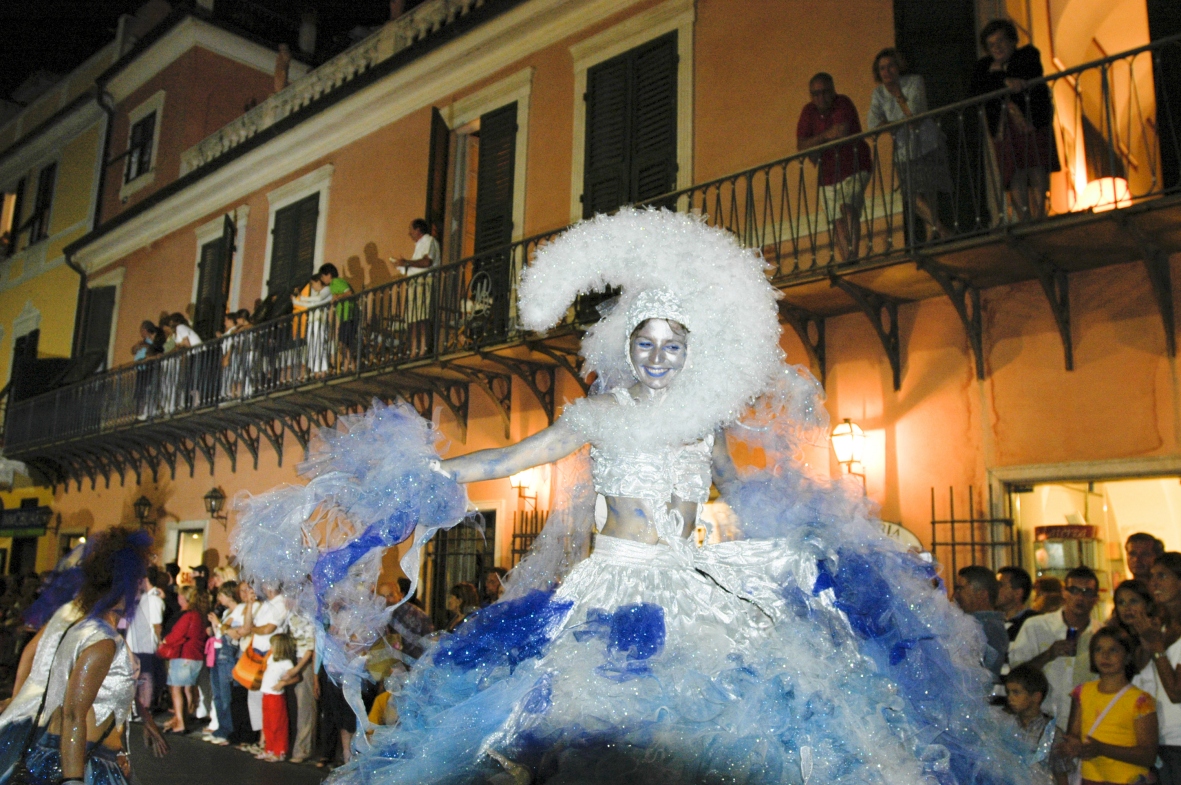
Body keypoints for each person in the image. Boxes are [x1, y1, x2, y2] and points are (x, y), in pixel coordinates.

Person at [234, 209, 1044, 785]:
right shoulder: (597, 414)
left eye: (672, 344)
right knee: (566, 733)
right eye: (645, 342)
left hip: (697, 585)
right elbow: (515, 451)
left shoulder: (705, 426)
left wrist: (805, 535)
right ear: (625, 349)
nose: (658, 354)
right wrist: (433, 475)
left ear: (692, 354)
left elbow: (743, 494)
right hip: (610, 588)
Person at [0, 527, 169, 785]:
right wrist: (74, 780)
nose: (139, 591)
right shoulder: (100, 640)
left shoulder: (93, 631)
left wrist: (142, 721)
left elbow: (109, 688)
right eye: (137, 582)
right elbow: (74, 713)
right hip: (84, 762)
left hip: (83, 754)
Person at [971, 19, 1059, 222]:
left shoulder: (1027, 54)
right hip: (1003, 127)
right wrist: (1003, 80)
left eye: (1001, 41)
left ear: (1012, 41)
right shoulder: (983, 66)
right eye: (992, 45)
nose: (997, 47)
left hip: (1031, 119)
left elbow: (1028, 73)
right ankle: (1024, 218)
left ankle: (1040, 215)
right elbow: (976, 89)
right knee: (1014, 171)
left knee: (1036, 164)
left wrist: (998, 74)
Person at [866, 48, 951, 240]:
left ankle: (931, 235)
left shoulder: (913, 82)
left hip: (926, 143)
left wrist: (898, 96)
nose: (887, 72)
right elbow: (873, 124)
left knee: (929, 192)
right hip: (904, 150)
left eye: (890, 66)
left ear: (898, 67)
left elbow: (915, 117)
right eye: (882, 69)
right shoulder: (878, 93)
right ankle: (941, 230)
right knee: (913, 195)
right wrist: (895, 124)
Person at [1060, 628, 1158, 785]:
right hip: (1090, 779)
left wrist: (1102, 749)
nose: (1105, 656)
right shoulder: (1081, 693)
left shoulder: (1140, 701)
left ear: (1127, 656)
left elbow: (1148, 755)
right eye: (1098, 649)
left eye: (1113, 650)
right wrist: (1072, 746)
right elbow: (1074, 736)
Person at [1012, 566, 1102, 736]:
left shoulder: (1100, 635)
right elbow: (1017, 675)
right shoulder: (1036, 627)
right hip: (1039, 725)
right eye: (1074, 590)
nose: (1080, 597)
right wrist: (1048, 655)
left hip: (1086, 728)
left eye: (1087, 592)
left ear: (1096, 598)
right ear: (1064, 592)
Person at [797, 73, 873, 262]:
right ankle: (848, 260)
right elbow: (801, 144)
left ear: (833, 91)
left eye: (824, 92)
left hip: (854, 165)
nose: (820, 98)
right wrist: (825, 136)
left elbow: (841, 132)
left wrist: (815, 143)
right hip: (828, 173)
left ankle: (853, 255)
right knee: (836, 219)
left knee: (848, 208)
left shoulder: (843, 103)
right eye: (815, 94)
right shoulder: (809, 111)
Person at [1131, 552, 1181, 785]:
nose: (1154, 583)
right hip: (1156, 737)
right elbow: (1138, 672)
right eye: (1152, 577)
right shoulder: (1160, 625)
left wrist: (1158, 648)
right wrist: (1145, 639)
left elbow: (1176, 693)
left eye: (1162, 576)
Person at [159, 585, 209, 734]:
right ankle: (182, 719)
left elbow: (177, 634)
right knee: (187, 688)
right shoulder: (201, 615)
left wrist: (165, 641)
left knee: (176, 688)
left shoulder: (189, 615)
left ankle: (180, 721)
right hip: (196, 657)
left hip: (184, 655)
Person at [386, 218, 440, 355]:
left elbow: (427, 262)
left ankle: (423, 350)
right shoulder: (419, 245)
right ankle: (414, 350)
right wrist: (401, 266)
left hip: (423, 283)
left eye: (410, 230)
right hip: (414, 284)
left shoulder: (429, 241)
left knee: (422, 318)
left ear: (418, 230)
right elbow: (414, 267)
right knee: (412, 319)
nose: (409, 233)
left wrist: (407, 263)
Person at [954, 565, 1009, 681]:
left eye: (960, 589)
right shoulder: (980, 624)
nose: (956, 595)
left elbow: (987, 673)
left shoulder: (988, 627)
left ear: (982, 594)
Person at [125, 569, 166, 717]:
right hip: (136, 644)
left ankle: (145, 707)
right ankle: (139, 707)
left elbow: (156, 624)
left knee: (145, 676)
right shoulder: (144, 597)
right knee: (137, 676)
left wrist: (160, 640)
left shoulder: (154, 600)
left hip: (146, 645)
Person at [204, 581, 240, 745]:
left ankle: (228, 730)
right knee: (217, 695)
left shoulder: (239, 611)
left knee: (226, 696)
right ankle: (220, 729)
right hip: (217, 652)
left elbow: (232, 634)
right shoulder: (226, 612)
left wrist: (218, 624)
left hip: (227, 655)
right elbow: (221, 630)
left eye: (221, 595)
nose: (219, 598)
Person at [225, 583, 260, 748]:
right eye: (242, 590)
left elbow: (245, 629)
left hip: (253, 654)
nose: (245, 593)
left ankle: (249, 734)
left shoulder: (258, 606)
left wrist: (235, 630)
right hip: (240, 653)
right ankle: (237, 731)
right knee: (237, 695)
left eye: (248, 590)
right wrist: (228, 628)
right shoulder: (240, 607)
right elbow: (227, 626)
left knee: (249, 697)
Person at [1005, 663, 1055, 776]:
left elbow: (1060, 772)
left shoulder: (1050, 731)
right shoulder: (1006, 725)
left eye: (1016, 692)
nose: (1010, 698)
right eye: (1008, 692)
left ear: (1036, 697)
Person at [258, 632, 299, 762]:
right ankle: (269, 748)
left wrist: (283, 682)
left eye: (273, 646)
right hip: (266, 694)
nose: (270, 648)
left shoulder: (286, 663)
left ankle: (279, 750)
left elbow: (296, 677)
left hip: (276, 697)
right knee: (268, 723)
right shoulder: (272, 658)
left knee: (278, 724)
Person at [285, 609, 317, 763]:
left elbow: (310, 647)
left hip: (304, 662)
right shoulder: (291, 613)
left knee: (305, 706)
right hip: (292, 658)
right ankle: (294, 746)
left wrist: (297, 669)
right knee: (297, 707)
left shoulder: (307, 613)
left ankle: (303, 749)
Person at [1108, 579, 1157, 673]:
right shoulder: (1114, 638)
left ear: (1148, 605)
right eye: (1121, 603)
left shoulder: (1158, 634)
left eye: (1133, 601)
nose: (1127, 608)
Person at [292, 276, 333, 376]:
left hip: (319, 322)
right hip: (312, 322)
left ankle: (322, 372)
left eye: (312, 284)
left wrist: (299, 300)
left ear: (318, 281)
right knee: (312, 348)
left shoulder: (327, 290)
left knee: (319, 346)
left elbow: (317, 301)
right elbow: (312, 304)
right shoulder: (319, 294)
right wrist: (300, 298)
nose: (312, 287)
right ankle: (316, 373)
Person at [319, 263, 357, 368]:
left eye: (323, 276)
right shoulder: (332, 285)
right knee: (344, 345)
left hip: (348, 316)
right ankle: (347, 367)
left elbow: (349, 293)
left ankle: (353, 366)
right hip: (345, 317)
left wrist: (338, 297)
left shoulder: (336, 281)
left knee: (342, 344)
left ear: (329, 275)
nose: (322, 279)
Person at [999, 565, 1039, 642]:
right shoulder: (995, 621)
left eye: (1001, 585)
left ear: (1018, 593)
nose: (995, 590)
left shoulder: (1033, 622)